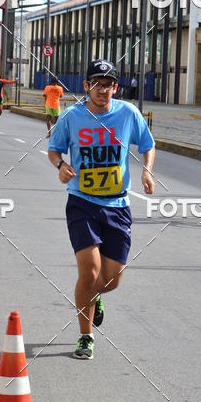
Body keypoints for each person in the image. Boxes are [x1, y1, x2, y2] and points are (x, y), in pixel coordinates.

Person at [48, 59, 156, 360]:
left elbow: (148, 144)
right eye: (96, 83)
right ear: (86, 86)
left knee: (111, 279)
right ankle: (86, 336)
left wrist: (147, 171)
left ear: (115, 87)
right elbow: (54, 149)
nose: (102, 89)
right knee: (90, 271)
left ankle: (95, 297)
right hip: (82, 202)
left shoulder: (127, 113)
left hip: (118, 205)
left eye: (108, 84)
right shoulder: (72, 116)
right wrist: (61, 165)